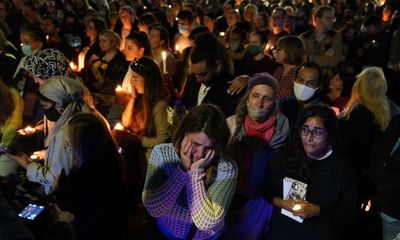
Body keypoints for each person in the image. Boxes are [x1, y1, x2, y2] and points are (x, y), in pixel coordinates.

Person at [142, 104, 238, 239]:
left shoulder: (226, 167)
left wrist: (194, 174)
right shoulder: (163, 154)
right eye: (196, 144)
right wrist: (182, 170)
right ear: (185, 133)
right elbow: (154, 208)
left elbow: (207, 222)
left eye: (209, 147)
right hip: (166, 233)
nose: (200, 154)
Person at [264, 104, 357, 240]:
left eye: (317, 132)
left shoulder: (343, 169)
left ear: (329, 133)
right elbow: (266, 191)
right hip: (282, 232)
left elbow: (347, 215)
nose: (309, 137)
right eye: (305, 130)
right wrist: (282, 203)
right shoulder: (286, 156)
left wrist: (317, 211)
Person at [9, 76, 101, 194]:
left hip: (71, 195)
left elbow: (56, 179)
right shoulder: (90, 117)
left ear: (59, 104)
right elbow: (72, 156)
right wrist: (47, 153)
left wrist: (25, 163)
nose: (45, 111)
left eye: (46, 106)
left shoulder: (68, 131)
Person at [225, 73, 289, 239]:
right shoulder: (230, 125)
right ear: (247, 98)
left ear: (274, 103)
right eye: (255, 96)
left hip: (261, 203)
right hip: (229, 198)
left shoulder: (283, 132)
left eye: (266, 98)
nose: (259, 103)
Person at [52, 113, 128, 240]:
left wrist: (61, 215)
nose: (67, 146)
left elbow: (78, 215)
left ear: (83, 145)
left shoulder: (84, 178)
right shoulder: (112, 162)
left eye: (70, 142)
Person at [117, 57, 170, 177]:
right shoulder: (139, 99)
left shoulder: (159, 105)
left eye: (135, 79)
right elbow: (125, 122)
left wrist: (137, 139)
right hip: (136, 157)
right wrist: (133, 98)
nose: (132, 83)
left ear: (148, 80)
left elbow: (162, 140)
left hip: (150, 162)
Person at [181, 32, 239, 116]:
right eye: (195, 74)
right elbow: (184, 104)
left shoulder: (229, 87)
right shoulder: (192, 78)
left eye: (203, 74)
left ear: (217, 65)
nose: (198, 79)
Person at [279, 62, 324, 133]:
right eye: (300, 80)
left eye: (311, 83)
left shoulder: (322, 113)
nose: (304, 86)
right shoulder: (283, 104)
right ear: (294, 80)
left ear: (318, 87)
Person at [300, 5, 344, 77]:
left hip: (327, 77)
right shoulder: (304, 37)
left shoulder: (335, 36)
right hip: (307, 77)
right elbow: (300, 60)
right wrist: (323, 57)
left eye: (333, 18)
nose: (332, 21)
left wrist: (309, 58)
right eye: (328, 18)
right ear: (317, 19)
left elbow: (333, 61)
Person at [86, 30, 129, 95]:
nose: (101, 44)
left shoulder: (120, 58)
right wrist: (93, 83)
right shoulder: (99, 55)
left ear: (112, 43)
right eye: (100, 41)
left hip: (111, 93)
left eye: (104, 41)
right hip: (94, 90)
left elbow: (120, 79)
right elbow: (89, 70)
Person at [272, 35, 305, 99]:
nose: (276, 51)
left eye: (279, 49)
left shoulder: (297, 75)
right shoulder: (279, 70)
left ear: (289, 52)